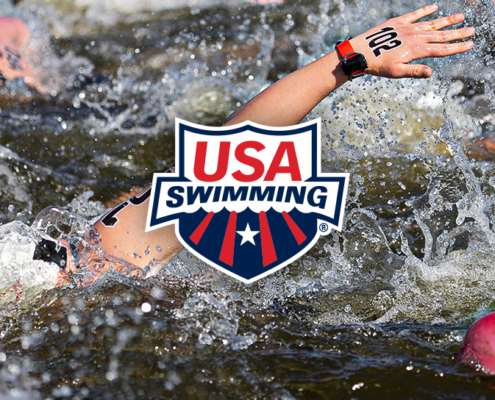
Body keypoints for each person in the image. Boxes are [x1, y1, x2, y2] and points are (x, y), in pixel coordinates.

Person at [0, 5, 475, 286]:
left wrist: (349, 58)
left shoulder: (58, 268)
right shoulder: (71, 273)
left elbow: (214, 171)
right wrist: (348, 59)